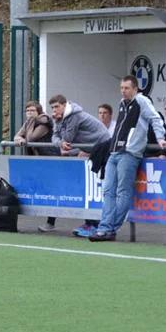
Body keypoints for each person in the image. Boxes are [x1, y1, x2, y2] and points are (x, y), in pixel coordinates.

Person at [90, 76, 166, 242]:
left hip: (130, 153)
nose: (123, 91)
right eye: (122, 88)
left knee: (122, 192)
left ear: (135, 89)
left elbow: (155, 118)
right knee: (108, 191)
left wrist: (160, 138)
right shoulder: (122, 103)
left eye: (126, 88)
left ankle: (108, 229)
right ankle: (106, 228)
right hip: (114, 152)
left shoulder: (142, 101)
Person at [40, 94, 110, 236]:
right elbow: (55, 137)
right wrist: (60, 141)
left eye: (57, 107)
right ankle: (90, 223)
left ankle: (96, 225)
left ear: (65, 105)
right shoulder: (62, 118)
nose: (54, 110)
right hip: (89, 150)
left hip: (102, 148)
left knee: (93, 190)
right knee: (85, 189)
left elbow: (67, 138)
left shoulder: (74, 116)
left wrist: (60, 137)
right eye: (52, 107)